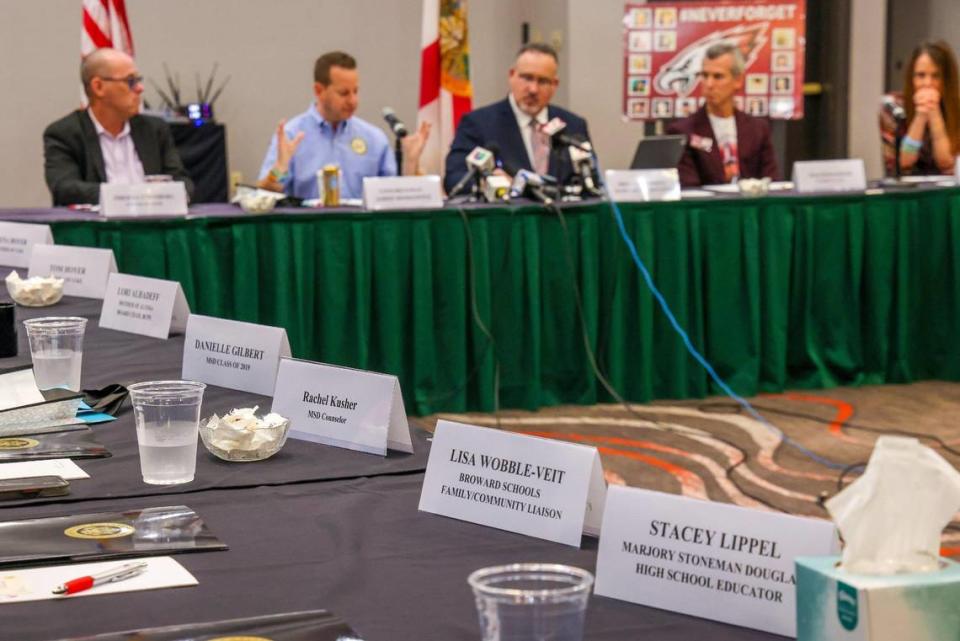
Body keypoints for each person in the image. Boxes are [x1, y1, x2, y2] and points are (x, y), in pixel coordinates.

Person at [258, 51, 430, 201]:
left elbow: (393, 199)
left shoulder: (374, 139)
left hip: (361, 234)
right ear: (319, 90)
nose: (353, 101)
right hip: (310, 233)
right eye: (344, 93)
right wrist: (279, 170)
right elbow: (265, 194)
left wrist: (411, 164)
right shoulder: (291, 135)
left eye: (356, 91)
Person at [43, 48, 194, 206]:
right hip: (99, 228)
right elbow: (65, 189)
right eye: (130, 81)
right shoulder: (65, 133)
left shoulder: (154, 129)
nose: (140, 88)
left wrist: (170, 194)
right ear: (98, 87)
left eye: (138, 80)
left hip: (154, 225)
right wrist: (128, 198)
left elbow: (182, 181)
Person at [443, 43, 592, 193]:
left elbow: (593, 182)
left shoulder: (573, 126)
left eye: (543, 81)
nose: (533, 89)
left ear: (555, 85)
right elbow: (454, 180)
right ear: (512, 75)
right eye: (527, 78)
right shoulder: (478, 124)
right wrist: (491, 183)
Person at [667, 43, 778, 187]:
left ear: (738, 80)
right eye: (704, 75)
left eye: (718, 76)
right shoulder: (683, 131)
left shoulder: (758, 129)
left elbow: (772, 180)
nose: (709, 84)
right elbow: (689, 187)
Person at [879, 40, 960, 176]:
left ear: (947, 79)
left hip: (948, 192)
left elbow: (947, 164)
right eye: (921, 75)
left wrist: (935, 115)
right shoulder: (892, 106)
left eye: (936, 76)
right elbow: (903, 164)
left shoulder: (956, 108)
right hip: (906, 192)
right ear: (911, 77)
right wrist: (920, 117)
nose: (927, 83)